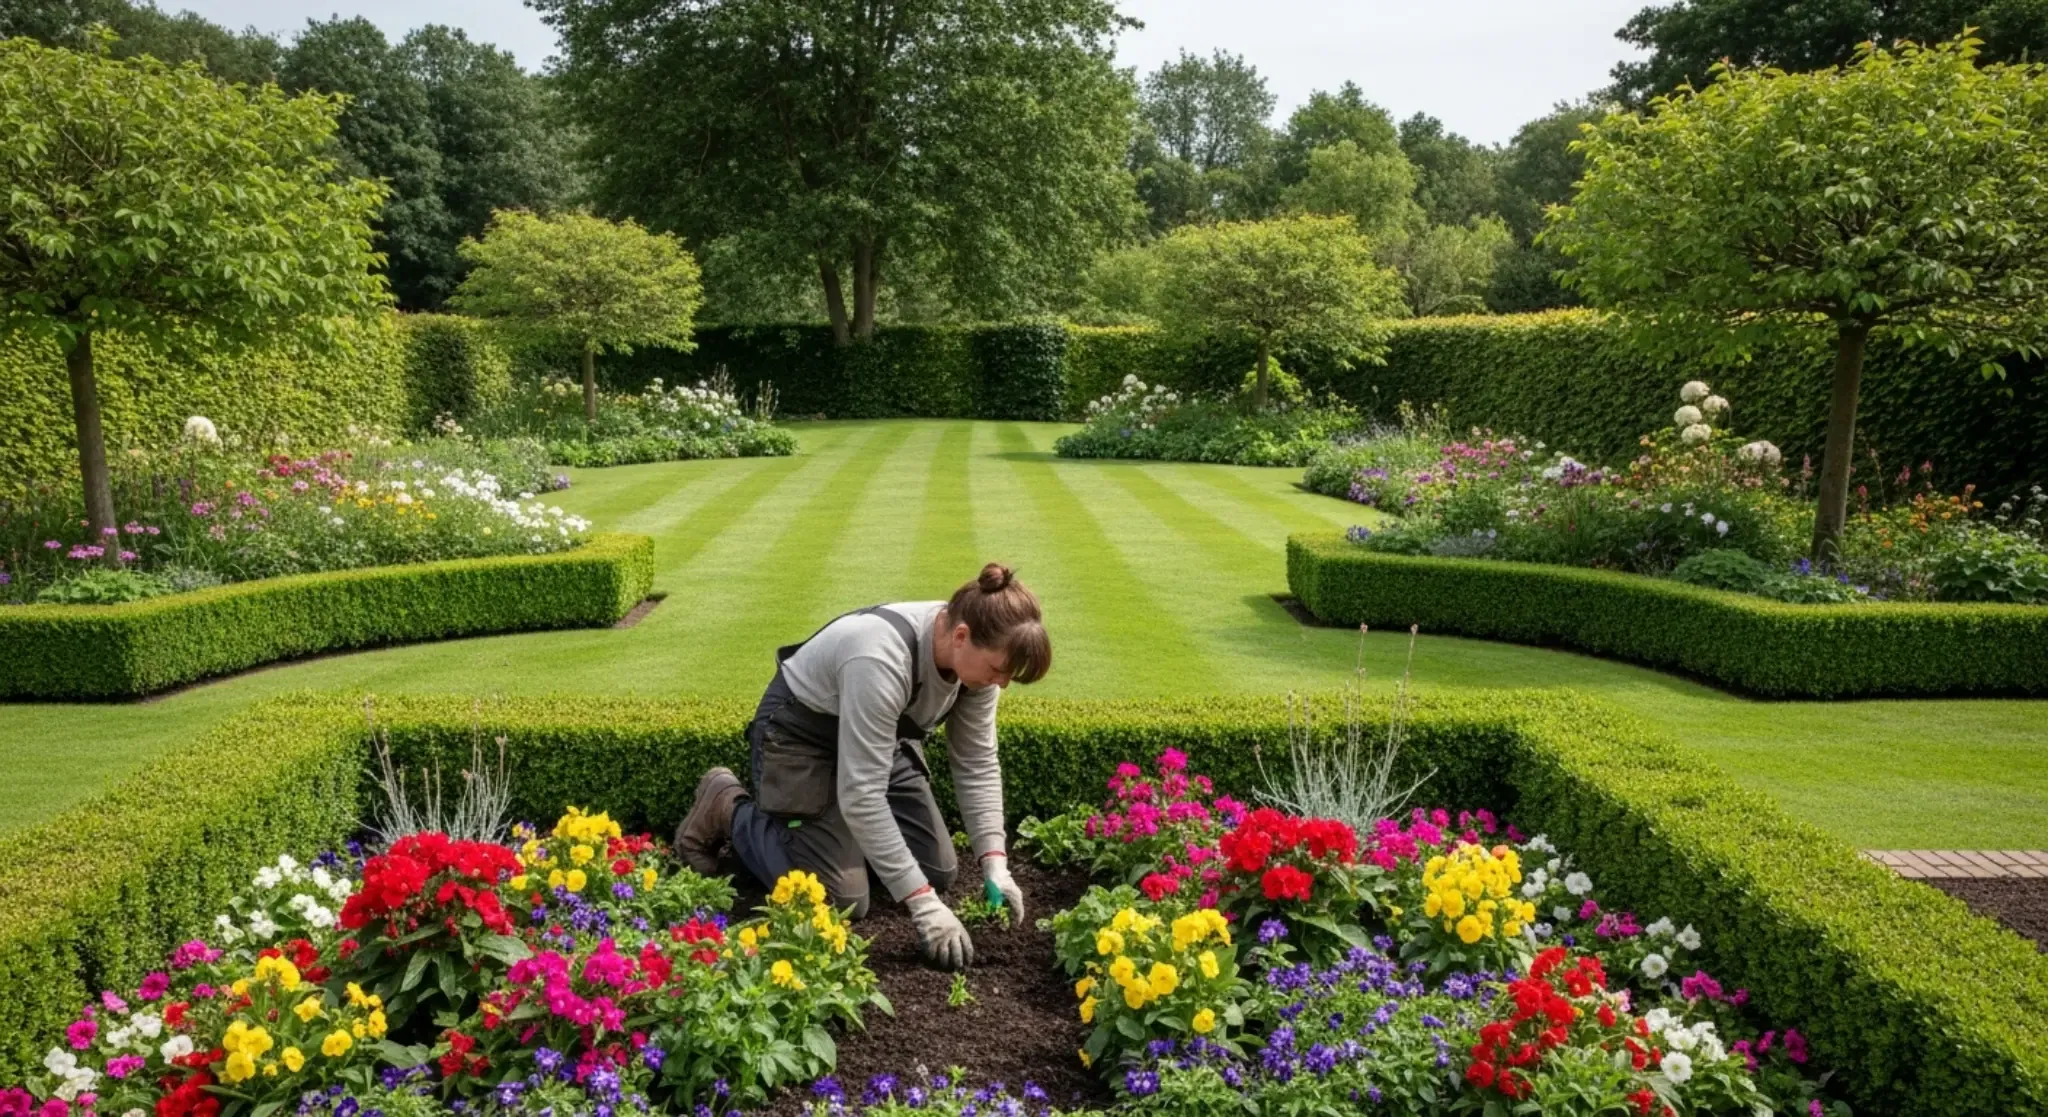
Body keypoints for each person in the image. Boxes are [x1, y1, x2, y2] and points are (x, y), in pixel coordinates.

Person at [674, 563, 1052, 970]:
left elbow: (976, 763)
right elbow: (862, 795)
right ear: (961, 636)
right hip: (804, 737)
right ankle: (728, 807)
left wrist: (996, 864)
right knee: (843, 900)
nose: (1003, 683)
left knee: (938, 870)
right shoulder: (879, 656)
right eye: (999, 671)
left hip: (877, 740)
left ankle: (840, 843)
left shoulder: (978, 663)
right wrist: (923, 905)